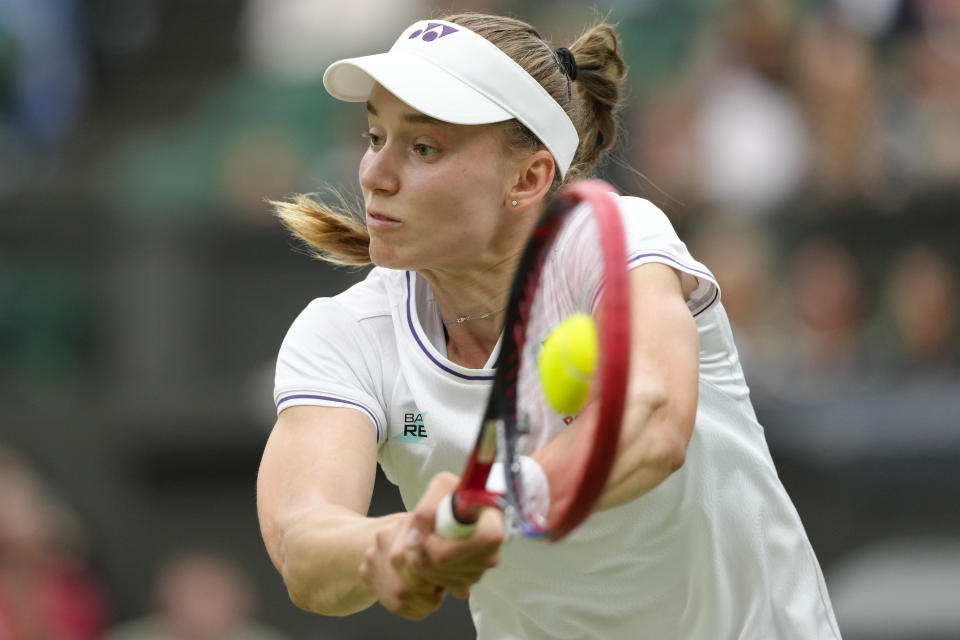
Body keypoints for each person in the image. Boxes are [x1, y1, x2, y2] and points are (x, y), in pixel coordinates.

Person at [256, 11, 842, 639]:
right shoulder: (349, 335)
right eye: (376, 138)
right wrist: (391, 546)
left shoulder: (613, 240)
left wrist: (497, 499)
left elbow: (651, 421)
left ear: (529, 178)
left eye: (423, 147)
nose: (375, 173)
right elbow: (303, 537)